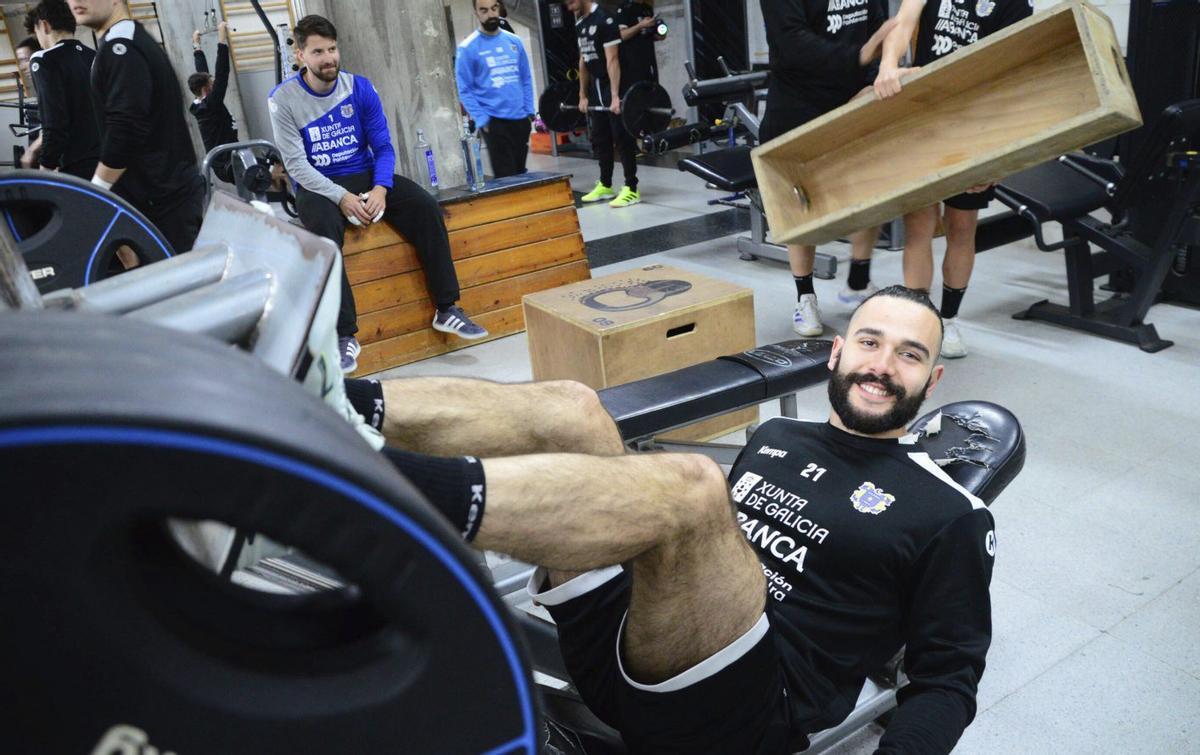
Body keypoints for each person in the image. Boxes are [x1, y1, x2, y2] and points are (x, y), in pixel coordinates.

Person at [348, 285, 994, 753]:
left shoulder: (949, 512)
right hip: (632, 644)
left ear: (932, 379)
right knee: (573, 408)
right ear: (836, 352)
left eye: (908, 355)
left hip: (740, 713)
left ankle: (346, 484)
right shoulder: (781, 438)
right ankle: (333, 400)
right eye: (870, 342)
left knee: (693, 485)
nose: (882, 365)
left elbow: (946, 679)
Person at [269, 15, 488, 375]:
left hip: (366, 175)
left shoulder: (360, 88)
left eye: (333, 49)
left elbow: (384, 147)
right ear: (301, 55)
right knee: (323, 234)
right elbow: (296, 166)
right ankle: (345, 335)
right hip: (318, 184)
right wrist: (342, 197)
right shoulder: (283, 100)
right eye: (319, 51)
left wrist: (381, 189)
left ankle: (447, 308)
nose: (329, 58)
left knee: (425, 207)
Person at [874, 0, 1033, 358]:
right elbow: (904, 22)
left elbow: (1012, 76)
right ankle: (918, 321)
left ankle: (949, 320)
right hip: (924, 115)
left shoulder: (1016, 5)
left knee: (961, 227)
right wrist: (888, 65)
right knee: (920, 226)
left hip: (974, 123)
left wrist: (996, 158)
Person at [759, 0, 893, 337]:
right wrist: (859, 57)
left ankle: (857, 285)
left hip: (853, 97)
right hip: (798, 103)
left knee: (872, 190)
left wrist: (873, 78)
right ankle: (805, 296)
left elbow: (878, 29)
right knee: (804, 204)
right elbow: (791, 44)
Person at [71, 0, 207, 256]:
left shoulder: (121, 47)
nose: (76, 2)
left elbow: (126, 127)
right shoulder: (128, 39)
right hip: (164, 195)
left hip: (163, 200)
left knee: (181, 289)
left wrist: (96, 190)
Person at [567, 0, 641, 209]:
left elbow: (613, 60)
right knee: (600, 137)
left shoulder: (606, 20)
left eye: (571, 2)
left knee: (622, 137)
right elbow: (583, 61)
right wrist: (582, 94)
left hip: (614, 83)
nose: (568, 6)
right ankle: (606, 184)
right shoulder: (580, 24)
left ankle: (631, 188)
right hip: (596, 87)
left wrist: (616, 96)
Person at [456, 0, 536, 178]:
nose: (491, 14)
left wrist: (529, 110)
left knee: (521, 174)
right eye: (484, 10)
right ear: (476, 13)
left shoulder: (514, 41)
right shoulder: (467, 48)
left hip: (520, 119)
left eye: (493, 8)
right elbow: (464, 90)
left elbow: (525, 78)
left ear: (499, 7)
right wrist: (482, 119)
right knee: (506, 177)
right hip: (494, 122)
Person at [23, 0, 100, 180]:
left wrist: (46, 164)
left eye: (36, 33)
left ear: (44, 25)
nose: (39, 42)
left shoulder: (43, 59)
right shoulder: (94, 56)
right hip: (107, 161)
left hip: (78, 164)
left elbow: (55, 121)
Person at [189, 21, 239, 184]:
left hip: (227, 160)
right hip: (229, 164)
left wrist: (197, 45)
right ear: (206, 88)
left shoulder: (202, 104)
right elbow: (222, 71)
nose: (215, 82)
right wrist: (222, 38)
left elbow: (201, 71)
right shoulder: (211, 105)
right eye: (212, 82)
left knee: (272, 165)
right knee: (272, 169)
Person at [13, 35, 42, 169]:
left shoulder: (49, 83)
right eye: (21, 61)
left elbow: (55, 124)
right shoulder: (39, 84)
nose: (22, 67)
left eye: (25, 59)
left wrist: (31, 151)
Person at [615, 0, 659, 87]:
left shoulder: (647, 9)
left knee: (653, 93)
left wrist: (659, 34)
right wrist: (640, 25)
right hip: (632, 64)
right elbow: (622, 35)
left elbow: (648, 34)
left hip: (649, 62)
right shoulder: (624, 8)